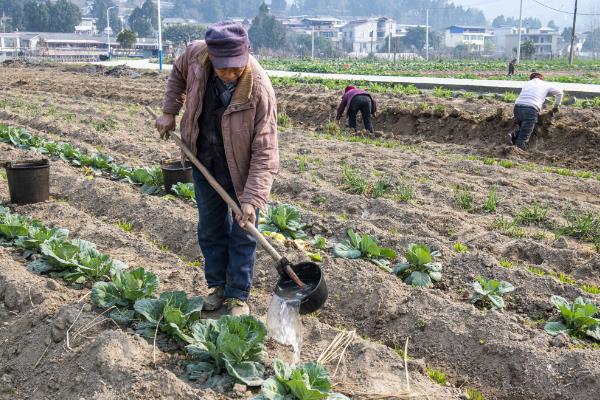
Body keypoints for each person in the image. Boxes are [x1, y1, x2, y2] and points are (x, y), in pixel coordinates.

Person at [154, 21, 279, 316]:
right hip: (203, 158)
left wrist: (251, 200)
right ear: (211, 56)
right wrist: (169, 111)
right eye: (224, 68)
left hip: (242, 170)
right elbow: (178, 74)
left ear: (246, 54)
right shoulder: (196, 56)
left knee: (243, 230)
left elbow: (266, 152)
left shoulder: (259, 90)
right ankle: (218, 286)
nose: (231, 73)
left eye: (236, 67)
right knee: (210, 227)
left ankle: (237, 296)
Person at [510, 72, 563, 150]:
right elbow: (560, 93)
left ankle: (512, 136)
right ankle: (517, 151)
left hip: (517, 107)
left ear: (531, 78)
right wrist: (556, 106)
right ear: (541, 78)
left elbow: (534, 93)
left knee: (522, 127)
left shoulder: (527, 83)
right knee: (524, 136)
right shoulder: (545, 84)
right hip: (530, 109)